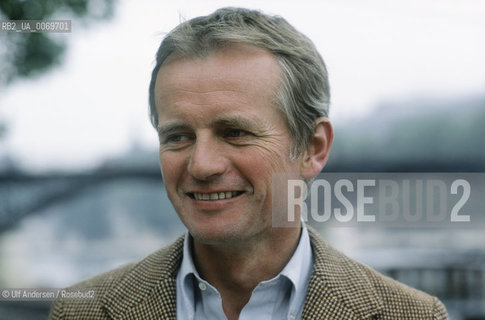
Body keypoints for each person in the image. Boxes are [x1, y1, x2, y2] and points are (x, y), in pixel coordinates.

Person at [49, 7, 448, 320]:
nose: (201, 164)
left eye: (234, 132)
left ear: (313, 148)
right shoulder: (81, 311)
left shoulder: (413, 315)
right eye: (178, 137)